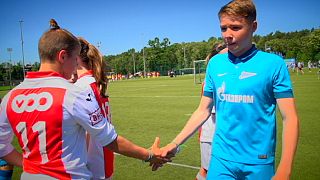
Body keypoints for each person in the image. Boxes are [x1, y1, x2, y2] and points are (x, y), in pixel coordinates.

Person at [0, 19, 168, 180]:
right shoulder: (72, 93)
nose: (75, 68)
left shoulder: (11, 96)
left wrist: (32, 167)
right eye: (74, 60)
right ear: (63, 56)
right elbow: (109, 140)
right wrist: (150, 155)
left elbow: (2, 146)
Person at [160, 1, 299, 180]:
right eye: (224, 28)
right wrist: (174, 143)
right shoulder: (215, 64)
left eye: (235, 27)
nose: (228, 35)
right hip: (220, 160)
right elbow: (203, 110)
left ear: (253, 26)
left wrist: (285, 169)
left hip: (258, 162)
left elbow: (290, 118)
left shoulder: (274, 65)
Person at [74, 37, 114, 180]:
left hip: (93, 164)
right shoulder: (95, 83)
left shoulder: (81, 88)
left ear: (76, 59)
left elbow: (86, 134)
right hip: (104, 160)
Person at [196, 43, 227, 180]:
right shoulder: (211, 81)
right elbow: (210, 112)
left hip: (222, 135)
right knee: (207, 171)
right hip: (212, 135)